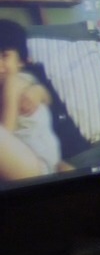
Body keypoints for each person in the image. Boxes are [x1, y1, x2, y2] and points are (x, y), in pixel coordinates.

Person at [1, 18, 68, 181]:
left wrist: (39, 92)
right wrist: (39, 91)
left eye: (4, 55)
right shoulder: (28, 81)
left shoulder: (12, 82)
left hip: (34, 165)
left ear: (21, 61)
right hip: (47, 163)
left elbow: (7, 133)